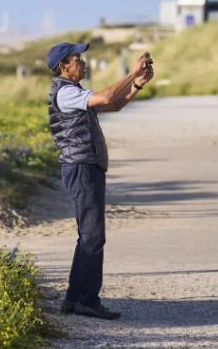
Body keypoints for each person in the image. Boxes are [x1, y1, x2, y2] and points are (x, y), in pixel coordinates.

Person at [45, 41, 155, 320]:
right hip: (81, 168)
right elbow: (106, 97)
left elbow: (113, 104)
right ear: (63, 66)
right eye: (77, 59)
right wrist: (131, 73)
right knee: (93, 236)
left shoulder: (73, 91)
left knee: (88, 236)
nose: (83, 63)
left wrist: (137, 84)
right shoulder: (65, 93)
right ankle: (88, 301)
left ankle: (73, 299)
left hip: (86, 167)